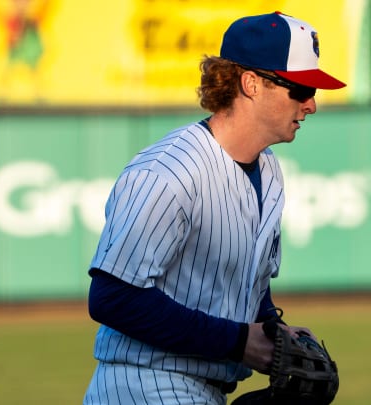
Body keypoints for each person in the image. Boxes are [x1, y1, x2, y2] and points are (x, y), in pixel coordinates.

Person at [83, 11, 346, 405]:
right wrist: (240, 342)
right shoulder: (169, 171)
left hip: (202, 388)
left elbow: (245, 287)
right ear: (251, 83)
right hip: (142, 385)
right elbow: (113, 297)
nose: (310, 104)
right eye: (299, 89)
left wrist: (274, 331)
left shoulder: (269, 169)